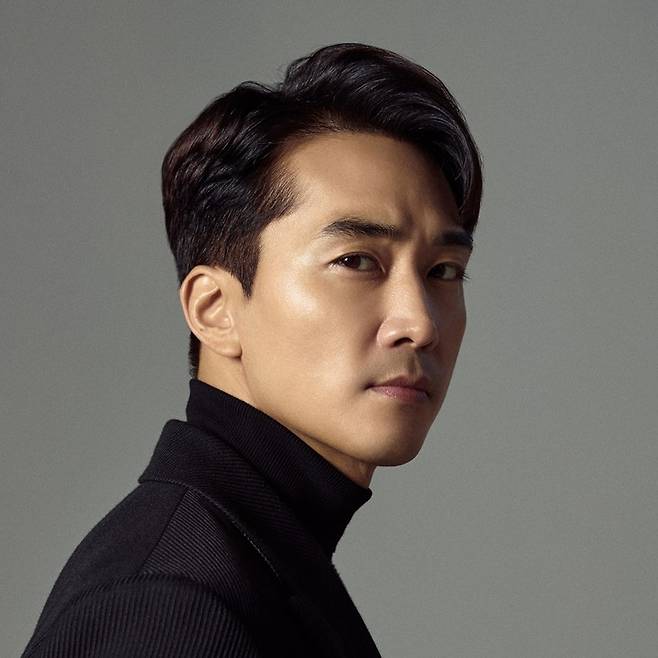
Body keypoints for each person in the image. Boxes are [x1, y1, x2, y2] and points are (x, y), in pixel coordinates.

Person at [20, 41, 483, 657]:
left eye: (444, 271)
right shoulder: (171, 603)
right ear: (215, 309)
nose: (420, 323)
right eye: (355, 261)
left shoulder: (253, 561)